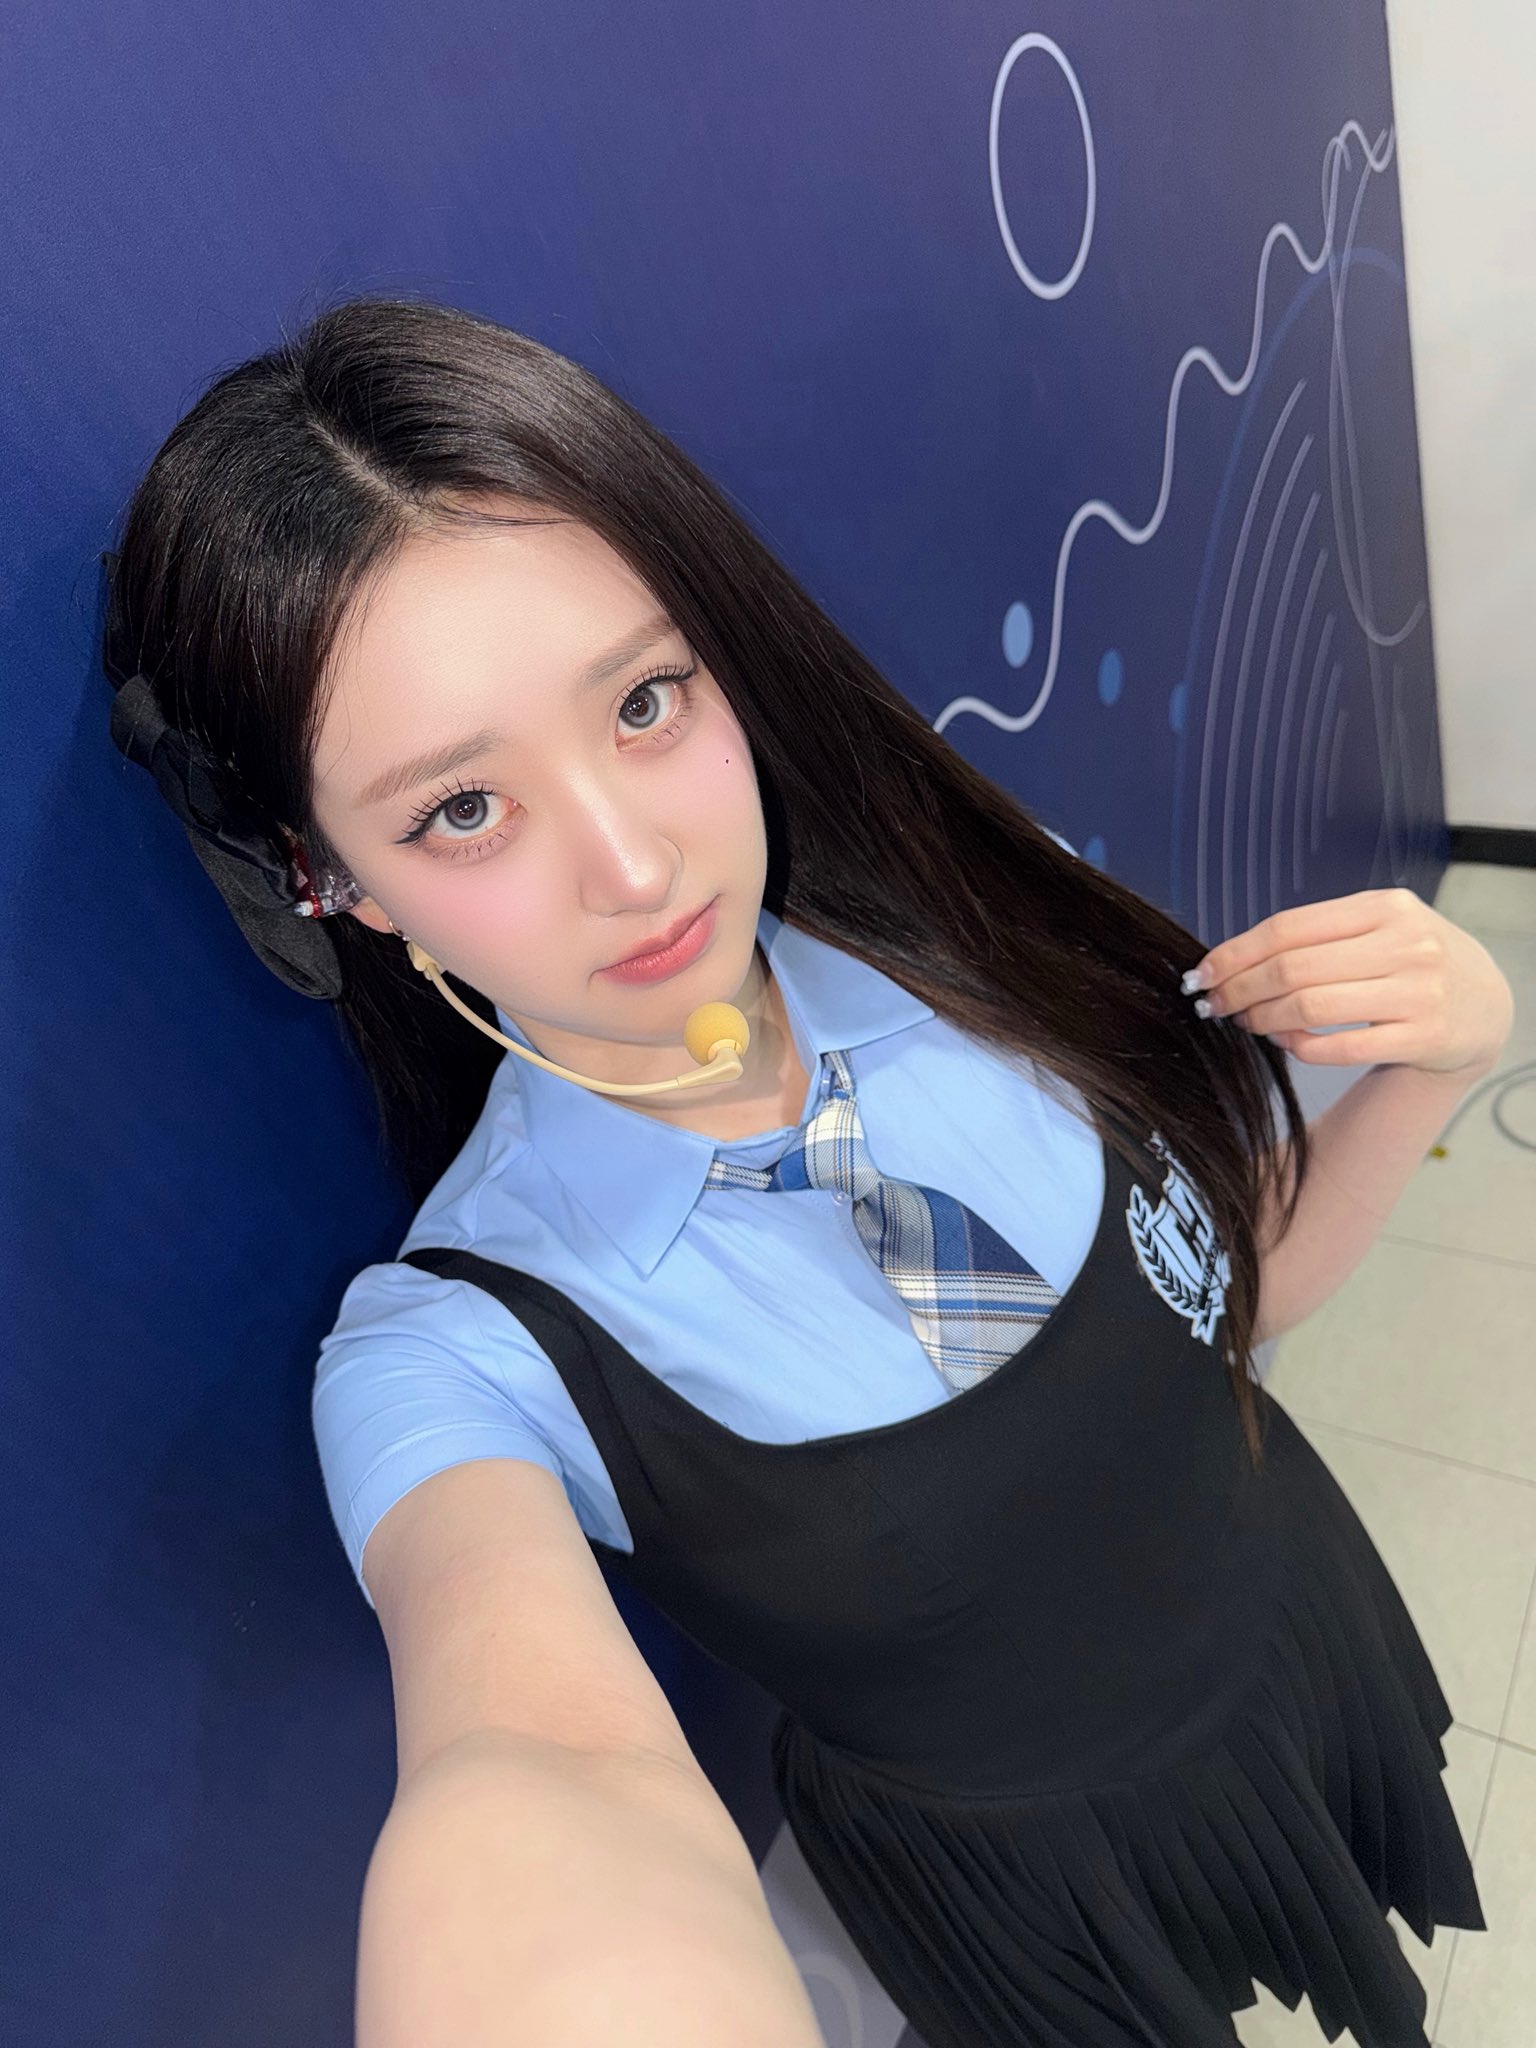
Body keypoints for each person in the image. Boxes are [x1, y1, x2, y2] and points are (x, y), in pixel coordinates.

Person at [103, 294, 1496, 2048]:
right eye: (462, 808)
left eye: (645, 699)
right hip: (1025, 1890)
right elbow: (537, 1764)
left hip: (1285, 1619)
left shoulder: (977, 933)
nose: (634, 863)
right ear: (338, 884)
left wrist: (1432, 1066)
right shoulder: (459, 1355)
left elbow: (1231, 1295)